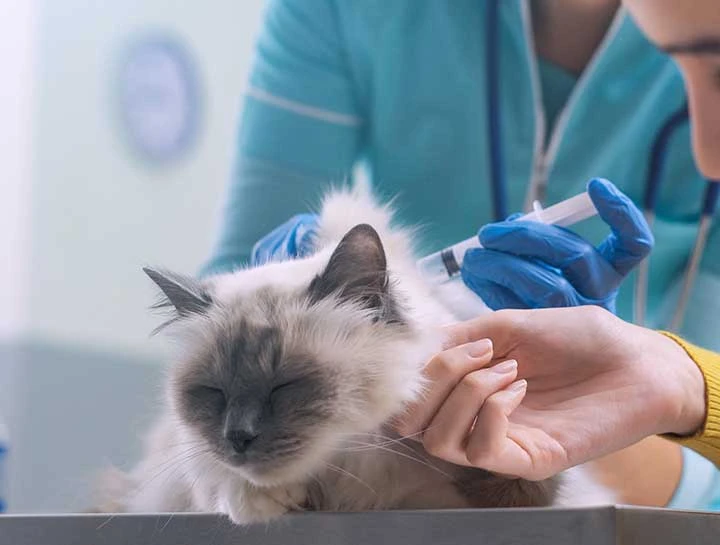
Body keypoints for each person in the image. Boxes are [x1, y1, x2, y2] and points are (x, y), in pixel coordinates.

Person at [201, 0, 720, 508]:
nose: (706, 155)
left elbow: (711, 485)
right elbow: (220, 311)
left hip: (649, 493)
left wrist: (619, 401)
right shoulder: (343, 10)